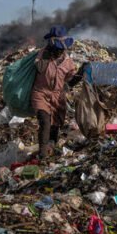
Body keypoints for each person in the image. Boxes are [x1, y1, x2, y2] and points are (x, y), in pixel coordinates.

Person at [31, 26, 85, 159]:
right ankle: (42, 154)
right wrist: (48, 54)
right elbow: (39, 67)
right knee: (45, 121)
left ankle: (52, 147)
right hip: (40, 93)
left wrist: (82, 73)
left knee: (55, 124)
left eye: (62, 48)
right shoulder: (43, 54)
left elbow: (70, 81)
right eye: (58, 48)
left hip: (57, 96)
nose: (60, 51)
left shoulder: (68, 62)